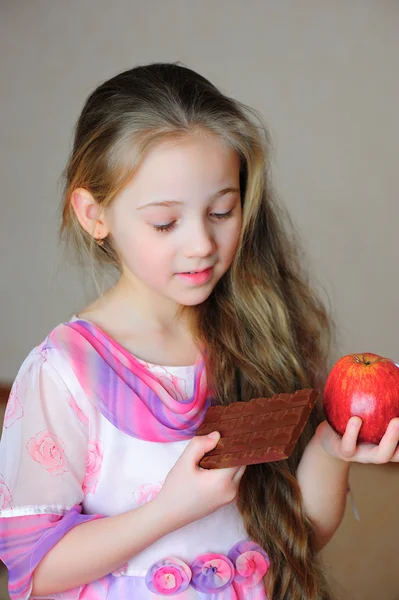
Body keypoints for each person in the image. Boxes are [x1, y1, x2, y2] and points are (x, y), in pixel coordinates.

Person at [1, 63, 398, 600]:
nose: (201, 245)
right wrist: (168, 511)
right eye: (165, 222)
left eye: (221, 211)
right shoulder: (64, 374)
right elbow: (33, 569)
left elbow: (294, 542)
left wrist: (331, 448)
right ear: (94, 213)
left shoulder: (251, 342)